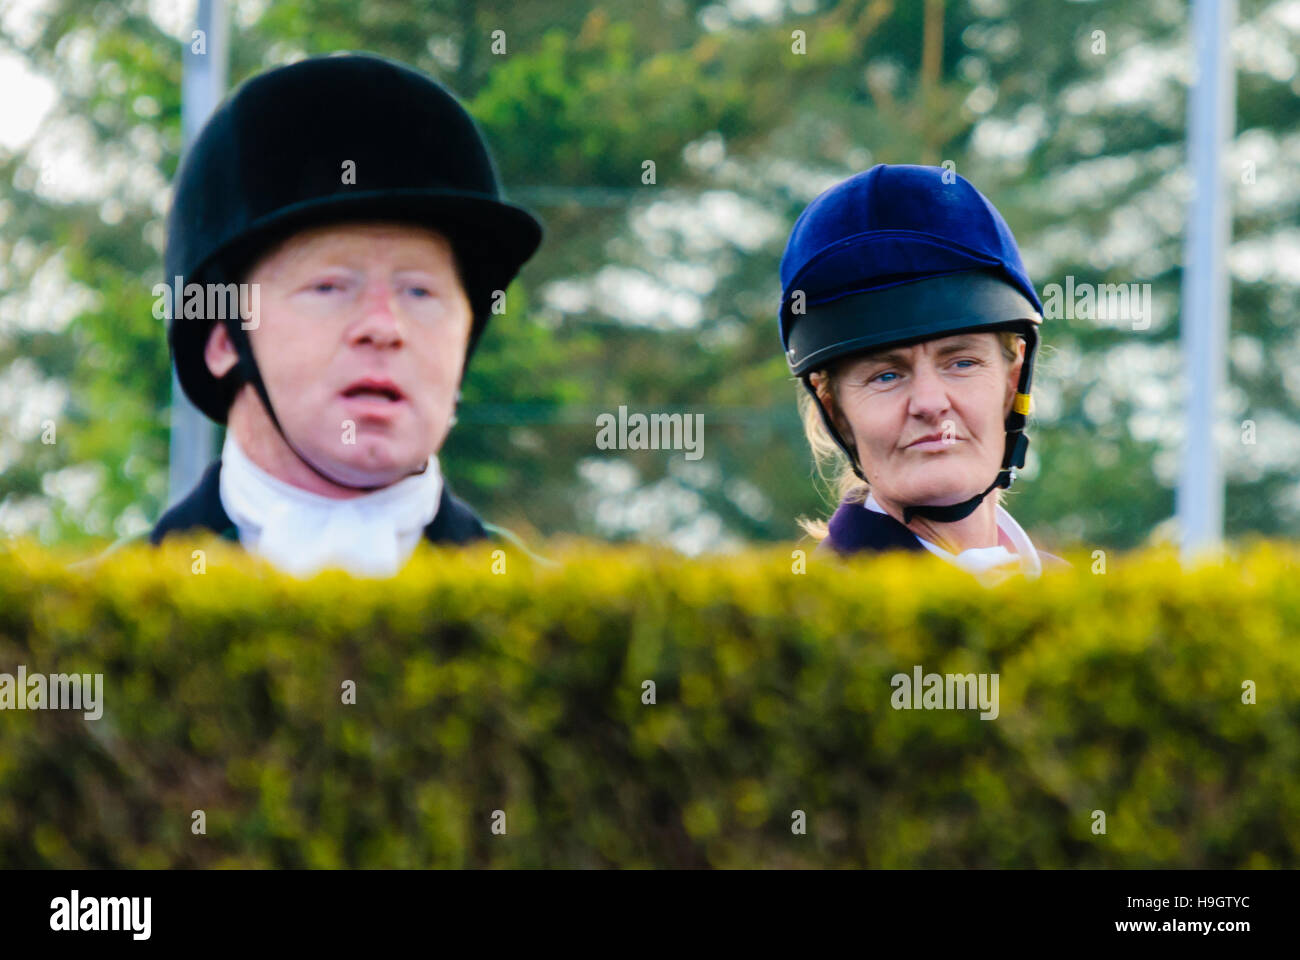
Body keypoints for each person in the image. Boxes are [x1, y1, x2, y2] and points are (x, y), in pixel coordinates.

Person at [148, 52, 542, 577]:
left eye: (420, 292)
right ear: (221, 336)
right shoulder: (77, 625)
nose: (383, 327)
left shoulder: (581, 634)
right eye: (329, 286)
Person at [778, 164, 1069, 582]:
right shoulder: (808, 619)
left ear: (1012, 381)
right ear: (835, 409)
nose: (930, 404)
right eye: (886, 375)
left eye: (962, 363)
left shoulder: (1088, 599)